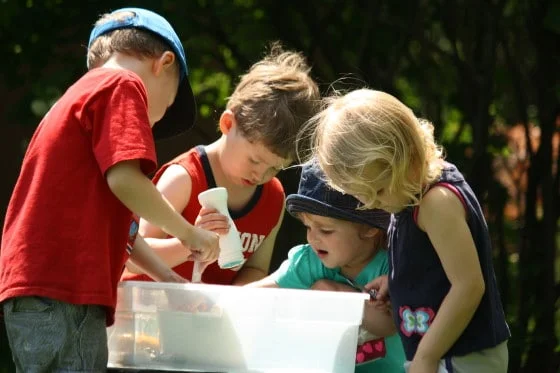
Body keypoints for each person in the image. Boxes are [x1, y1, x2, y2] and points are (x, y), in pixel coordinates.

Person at [0, 7, 219, 371]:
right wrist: (189, 232)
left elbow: (127, 231)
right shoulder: (123, 85)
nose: (154, 121)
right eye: (162, 108)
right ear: (163, 63)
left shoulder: (82, 97)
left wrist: (164, 275)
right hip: (66, 290)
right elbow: (126, 180)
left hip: (39, 288)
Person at [307, 88, 510, 373]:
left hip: (462, 354)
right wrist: (398, 280)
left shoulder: (436, 203)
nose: (370, 203)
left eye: (376, 191)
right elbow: (435, 263)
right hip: (441, 352)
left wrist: (427, 355)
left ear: (404, 157)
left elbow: (468, 285)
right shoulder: (408, 196)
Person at [121, 42, 320, 285]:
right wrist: (192, 241)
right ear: (227, 124)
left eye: (275, 168)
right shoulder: (184, 178)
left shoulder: (273, 197)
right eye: (255, 160)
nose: (261, 174)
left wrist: (227, 305)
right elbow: (133, 256)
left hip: (209, 317)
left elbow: (256, 268)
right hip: (151, 314)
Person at [248, 161, 406, 372]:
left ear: (369, 229)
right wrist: (208, 300)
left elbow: (389, 325)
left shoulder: (392, 266)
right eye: (308, 227)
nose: (313, 238)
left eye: (326, 230)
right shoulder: (309, 262)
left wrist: (337, 294)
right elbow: (256, 297)